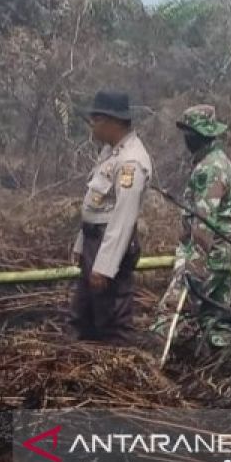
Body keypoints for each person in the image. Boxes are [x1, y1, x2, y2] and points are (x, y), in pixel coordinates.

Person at [70, 91, 153, 345]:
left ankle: (119, 369)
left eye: (95, 120)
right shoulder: (110, 153)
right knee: (84, 314)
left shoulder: (131, 161)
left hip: (109, 246)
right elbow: (94, 205)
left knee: (112, 319)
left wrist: (105, 267)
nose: (92, 126)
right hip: (95, 241)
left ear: (112, 121)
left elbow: (123, 218)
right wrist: (81, 244)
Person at [175, 104, 231, 348]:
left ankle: (152, 364)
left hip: (210, 255)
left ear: (198, 135)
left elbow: (204, 223)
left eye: (189, 133)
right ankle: (223, 369)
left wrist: (193, 267)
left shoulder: (209, 169)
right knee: (217, 319)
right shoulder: (220, 161)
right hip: (224, 253)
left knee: (173, 311)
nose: (186, 139)